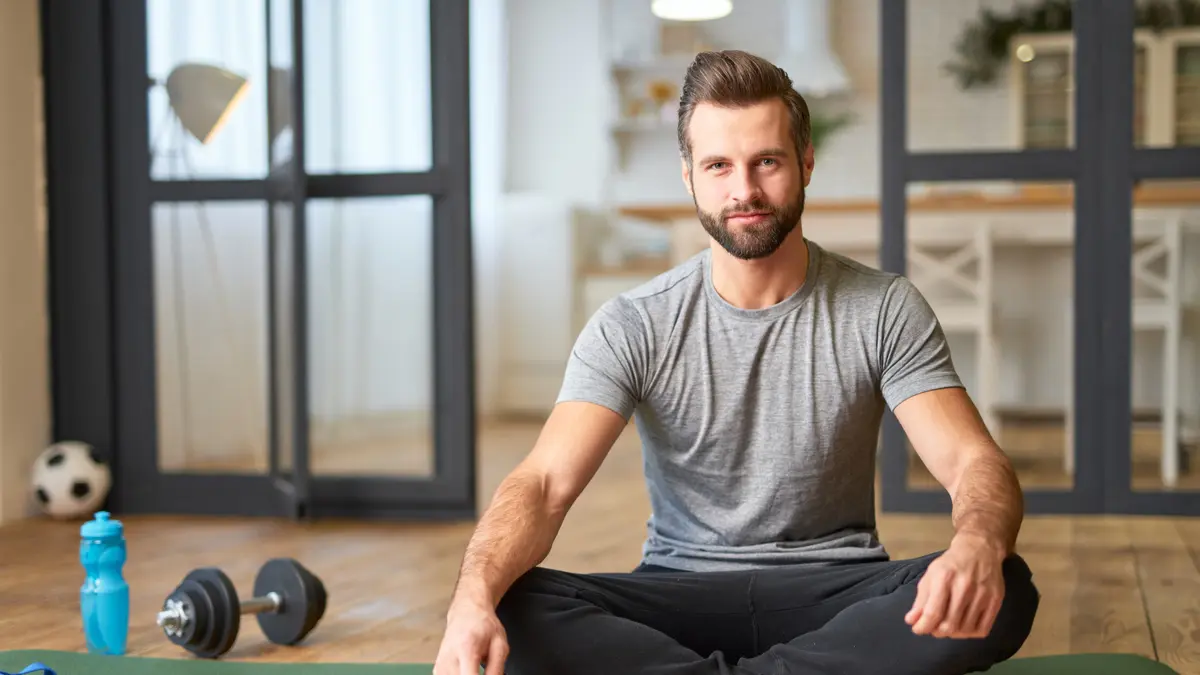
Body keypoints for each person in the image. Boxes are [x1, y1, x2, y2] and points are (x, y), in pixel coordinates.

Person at [433, 49, 1039, 675]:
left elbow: (972, 461)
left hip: (834, 590)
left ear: (806, 162)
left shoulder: (883, 307)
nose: (744, 190)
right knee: (507, 600)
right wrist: (472, 599)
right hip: (677, 592)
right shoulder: (634, 323)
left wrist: (977, 543)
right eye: (719, 165)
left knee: (1005, 586)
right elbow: (542, 484)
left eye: (767, 162)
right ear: (689, 176)